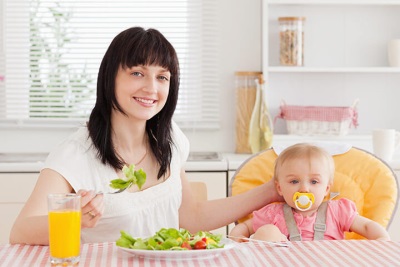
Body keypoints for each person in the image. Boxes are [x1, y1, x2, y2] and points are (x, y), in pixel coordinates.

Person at [9, 27, 281, 245]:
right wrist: (74, 217)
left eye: (162, 77)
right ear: (109, 78)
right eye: (137, 73)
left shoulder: (170, 138)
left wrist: (271, 190)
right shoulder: (76, 153)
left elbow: (190, 217)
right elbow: (20, 231)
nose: (151, 88)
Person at [229, 143, 390, 242]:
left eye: (314, 182)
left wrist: (382, 240)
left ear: (326, 189)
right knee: (266, 232)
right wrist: (237, 243)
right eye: (294, 181)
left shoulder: (337, 211)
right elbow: (244, 227)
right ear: (279, 188)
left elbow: (368, 226)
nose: (304, 188)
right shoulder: (273, 214)